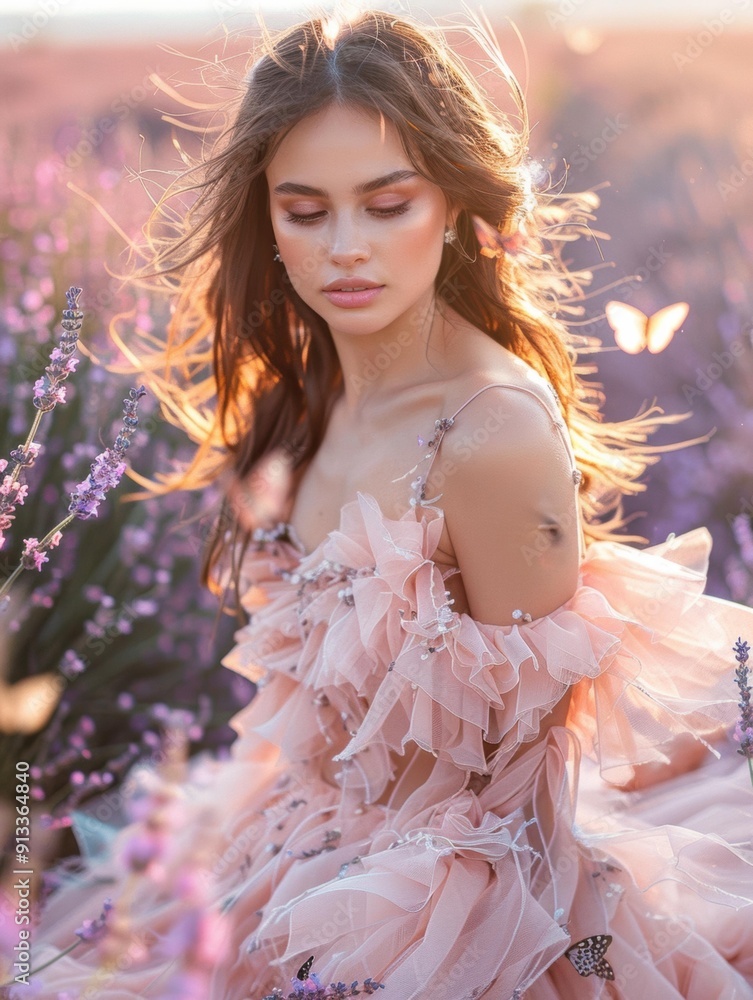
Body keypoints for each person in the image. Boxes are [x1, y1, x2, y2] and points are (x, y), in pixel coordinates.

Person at [9, 9, 753, 999]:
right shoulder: (306, 387)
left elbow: (517, 803)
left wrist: (342, 937)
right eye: (305, 212)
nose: (344, 250)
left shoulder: (491, 436)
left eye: (387, 203)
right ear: (265, 217)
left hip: (447, 914)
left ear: (451, 204)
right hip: (284, 836)